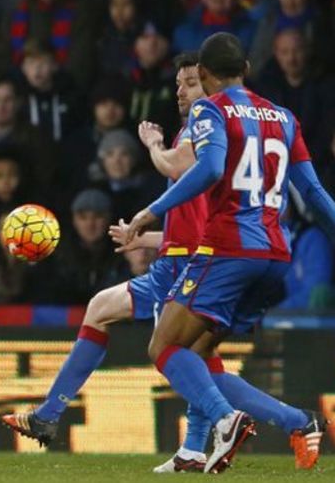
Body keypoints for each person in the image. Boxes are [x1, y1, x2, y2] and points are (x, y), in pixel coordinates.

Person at [124, 32, 335, 473]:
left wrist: (152, 209)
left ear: (203, 74)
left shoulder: (210, 109)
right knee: (198, 357)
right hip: (276, 256)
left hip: (226, 251)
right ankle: (295, 424)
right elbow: (313, 193)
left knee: (164, 345)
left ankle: (225, 421)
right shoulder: (282, 115)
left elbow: (213, 167)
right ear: (247, 70)